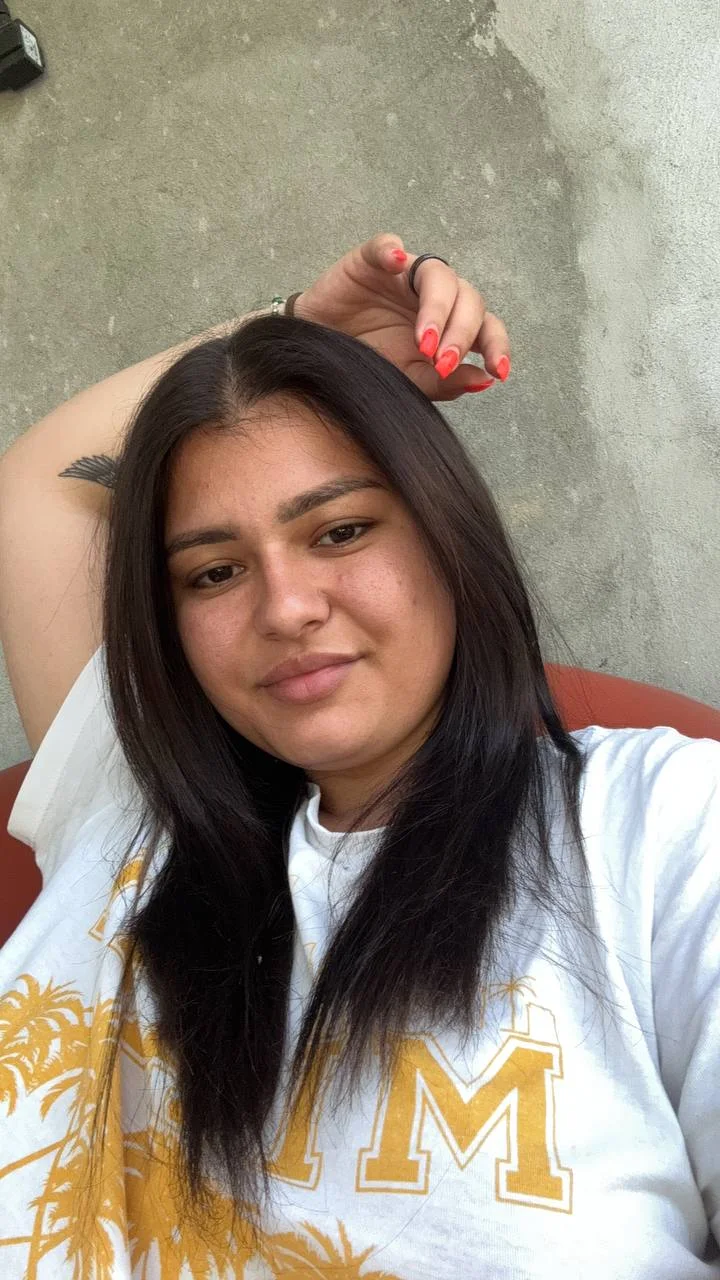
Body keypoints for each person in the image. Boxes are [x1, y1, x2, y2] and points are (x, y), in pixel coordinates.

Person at [0, 232, 718, 1279]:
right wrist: (295, 331)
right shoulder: (131, 820)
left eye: (339, 531)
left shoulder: (659, 825)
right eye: (213, 573)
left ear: (448, 534)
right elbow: (38, 488)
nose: (286, 607)